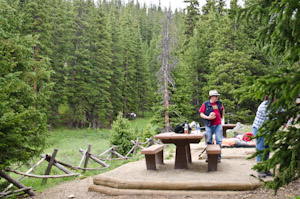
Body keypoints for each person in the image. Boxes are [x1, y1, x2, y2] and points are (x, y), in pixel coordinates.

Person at [199, 90, 225, 163]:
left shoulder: (219, 103)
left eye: (217, 96)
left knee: (219, 140)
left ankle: (218, 157)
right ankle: (209, 157)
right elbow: (201, 114)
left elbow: (222, 110)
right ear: (211, 97)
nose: (217, 97)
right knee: (209, 141)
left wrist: (222, 117)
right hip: (209, 125)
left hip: (218, 124)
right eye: (216, 96)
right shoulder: (205, 104)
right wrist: (207, 117)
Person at [252, 96, 272, 178]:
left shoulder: (276, 105)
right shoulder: (264, 106)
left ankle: (266, 168)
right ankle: (260, 169)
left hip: (269, 130)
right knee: (261, 149)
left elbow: (282, 113)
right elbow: (273, 118)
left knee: (267, 149)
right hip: (259, 129)